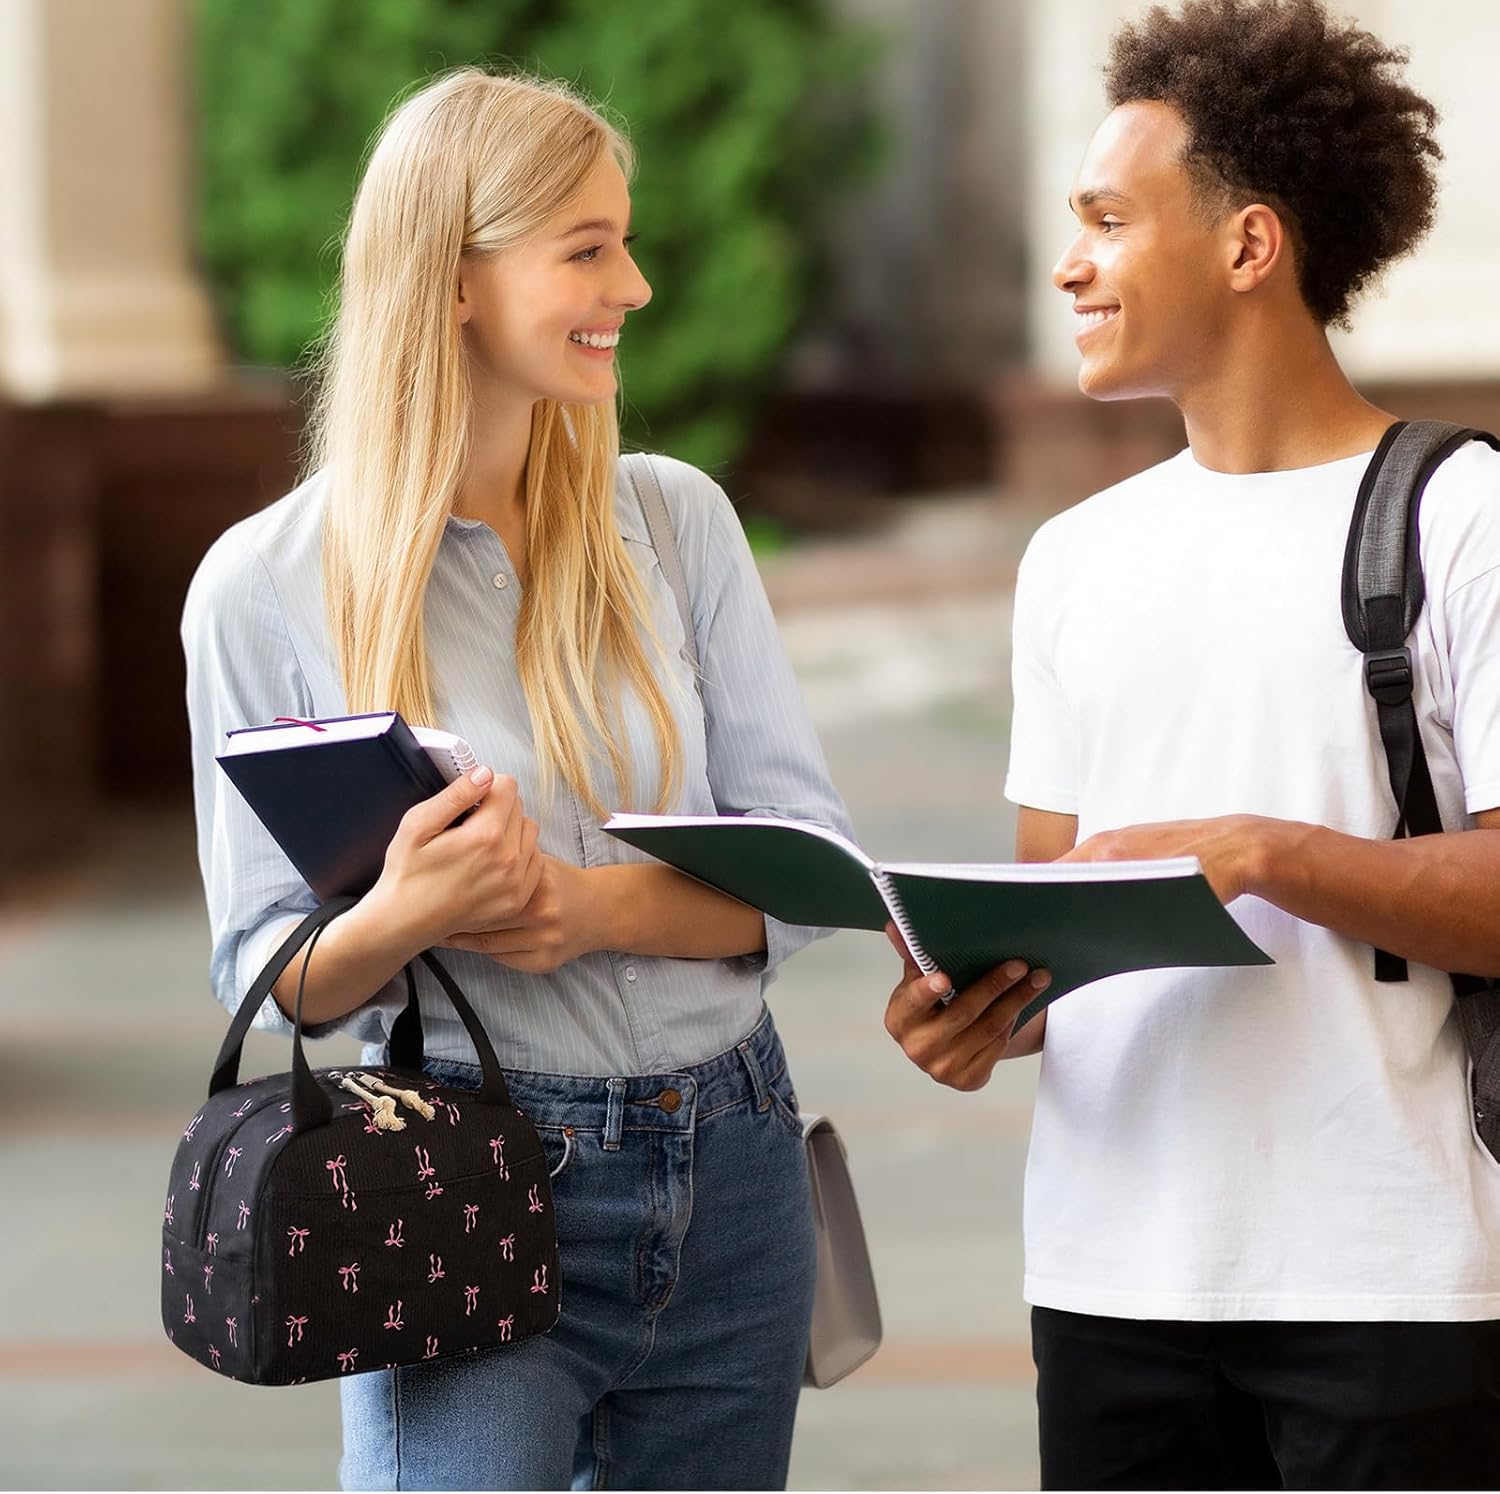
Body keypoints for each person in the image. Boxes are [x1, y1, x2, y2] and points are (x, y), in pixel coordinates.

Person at [182, 67, 850, 1492]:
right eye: (587, 249)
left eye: (627, 242)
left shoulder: (673, 521)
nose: (637, 287)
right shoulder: (263, 588)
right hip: (465, 1180)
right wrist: (406, 911)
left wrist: (586, 909)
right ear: (454, 280)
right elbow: (264, 968)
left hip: (735, 1168)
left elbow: (807, 870)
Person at [882, 1, 1500, 1487]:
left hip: (1393, 1278)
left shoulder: (1462, 516)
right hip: (1110, 1280)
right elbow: (1055, 920)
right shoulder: (1072, 559)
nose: (1069, 263)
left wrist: (1264, 853)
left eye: (1107, 219)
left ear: (1248, 245)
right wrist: (976, 1011)